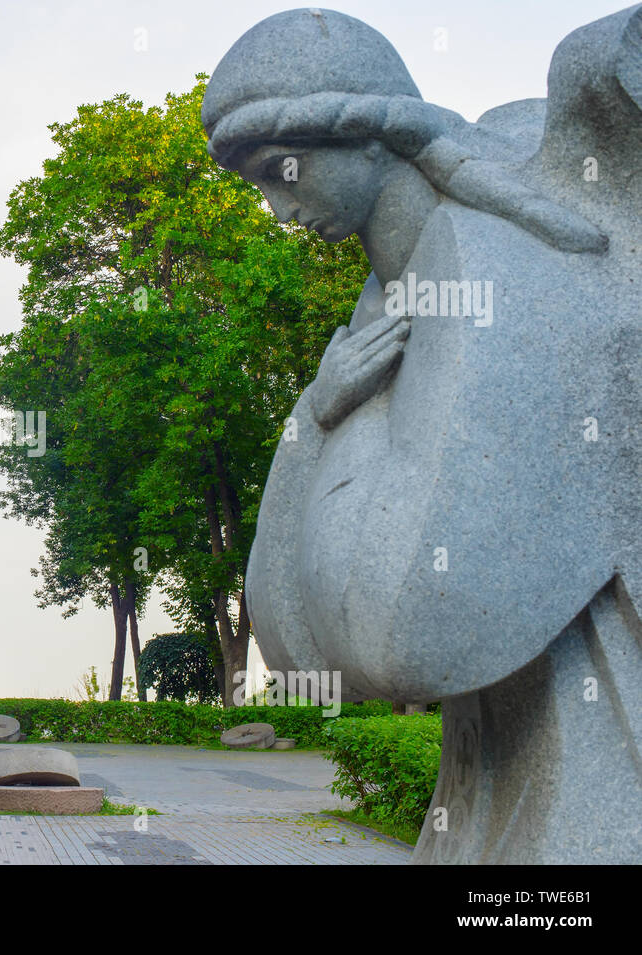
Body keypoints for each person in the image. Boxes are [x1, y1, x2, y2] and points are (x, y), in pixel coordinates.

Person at [204, 6, 642, 863]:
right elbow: (295, 644)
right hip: (495, 804)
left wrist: (331, 434)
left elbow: (404, 629)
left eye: (283, 172)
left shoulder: (491, 263)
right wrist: (317, 413)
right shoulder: (387, 302)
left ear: (368, 134)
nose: (277, 210)